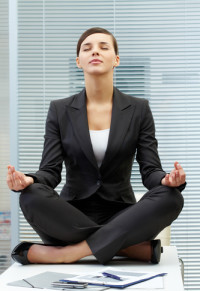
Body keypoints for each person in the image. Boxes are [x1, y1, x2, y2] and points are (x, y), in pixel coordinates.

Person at [7, 27, 186, 265]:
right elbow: (50, 172)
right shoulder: (60, 110)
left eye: (104, 47)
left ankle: (68, 253)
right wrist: (29, 180)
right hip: (71, 215)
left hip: (122, 213)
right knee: (30, 196)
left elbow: (150, 171)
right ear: (79, 61)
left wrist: (166, 180)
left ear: (116, 60)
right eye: (87, 48)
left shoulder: (139, 109)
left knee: (171, 197)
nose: (95, 52)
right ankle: (127, 248)